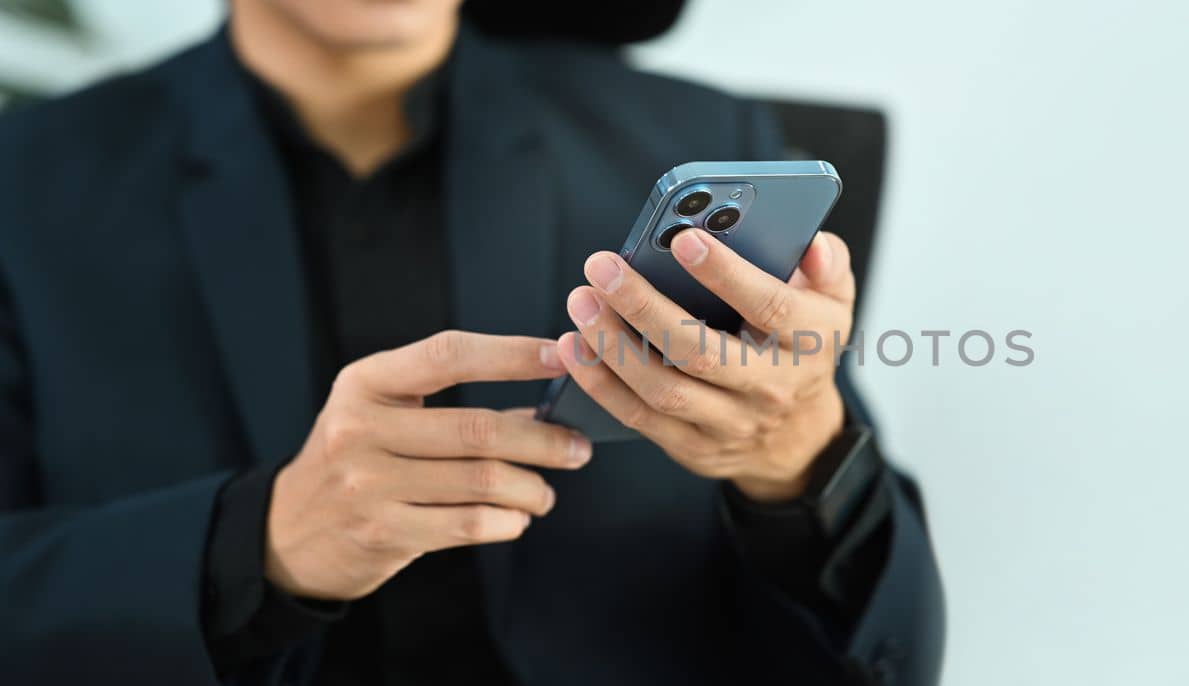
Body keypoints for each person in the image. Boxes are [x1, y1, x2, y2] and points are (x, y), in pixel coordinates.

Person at [0, 0, 943, 684]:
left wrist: (802, 466)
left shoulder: (692, 137)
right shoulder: (27, 182)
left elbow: (895, 653)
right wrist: (262, 543)